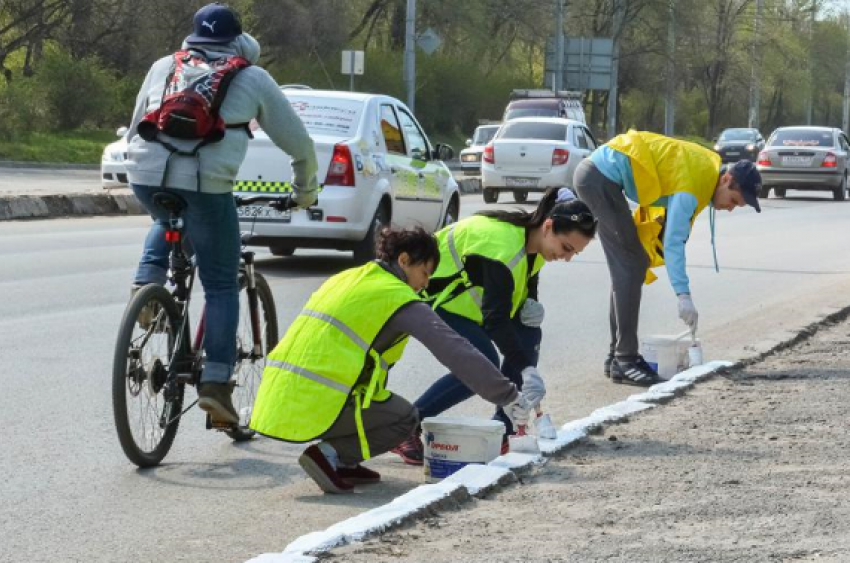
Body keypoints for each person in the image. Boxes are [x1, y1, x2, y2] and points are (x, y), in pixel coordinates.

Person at [124, 3, 319, 424]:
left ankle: (148, 284)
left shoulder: (164, 65)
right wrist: (304, 192)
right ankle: (215, 382)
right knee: (219, 282)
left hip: (145, 174)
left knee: (165, 216)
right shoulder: (251, 76)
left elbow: (137, 119)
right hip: (207, 183)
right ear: (239, 40)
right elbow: (299, 144)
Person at [249, 226, 535, 494]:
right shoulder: (394, 295)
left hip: (279, 395)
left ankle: (344, 462)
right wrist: (508, 396)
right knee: (406, 418)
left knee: (385, 404)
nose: (424, 285)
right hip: (317, 399)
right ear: (404, 259)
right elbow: (455, 350)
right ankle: (329, 455)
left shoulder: (350, 277)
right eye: (424, 273)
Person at [392, 187, 598, 465]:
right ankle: (406, 428)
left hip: (467, 307)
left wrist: (530, 305)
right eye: (567, 248)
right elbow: (496, 319)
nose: (567, 257)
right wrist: (526, 368)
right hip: (430, 297)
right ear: (548, 226)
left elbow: (520, 294)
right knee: (480, 364)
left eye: (574, 252)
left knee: (527, 332)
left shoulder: (534, 247)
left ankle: (504, 428)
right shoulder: (501, 248)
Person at [573, 129, 763, 386]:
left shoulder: (706, 171)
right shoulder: (696, 184)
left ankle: (617, 358)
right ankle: (625, 359)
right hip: (600, 178)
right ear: (726, 180)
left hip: (598, 176)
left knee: (629, 266)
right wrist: (683, 295)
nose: (730, 208)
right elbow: (674, 242)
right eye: (734, 200)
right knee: (630, 265)